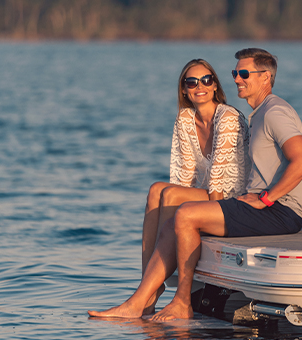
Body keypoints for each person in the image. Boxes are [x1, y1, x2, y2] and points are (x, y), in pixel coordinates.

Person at [89, 48, 302, 321]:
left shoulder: (274, 112)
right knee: (165, 202)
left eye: (244, 74)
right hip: (264, 206)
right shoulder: (260, 113)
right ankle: (144, 296)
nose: (237, 79)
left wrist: (265, 198)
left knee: (184, 214)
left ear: (265, 77)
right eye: (235, 73)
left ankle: (179, 301)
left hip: (281, 211)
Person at [88, 59, 249, 317]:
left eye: (207, 80)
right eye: (191, 82)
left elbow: (219, 183)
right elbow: (185, 177)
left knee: (170, 194)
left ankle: (140, 298)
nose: (200, 86)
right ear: (184, 89)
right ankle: (149, 289)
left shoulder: (228, 118)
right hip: (206, 192)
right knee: (157, 190)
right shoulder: (186, 119)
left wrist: (197, 216)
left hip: (231, 198)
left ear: (216, 86)